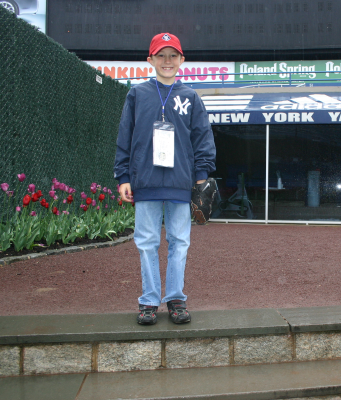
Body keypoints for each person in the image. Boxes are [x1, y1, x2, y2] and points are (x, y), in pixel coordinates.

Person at [114, 33, 216, 325]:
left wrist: (200, 178)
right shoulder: (137, 94)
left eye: (173, 55)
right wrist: (123, 176)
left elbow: (202, 140)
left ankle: (175, 298)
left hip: (180, 183)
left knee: (179, 242)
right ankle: (148, 300)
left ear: (182, 60)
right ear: (150, 60)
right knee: (146, 242)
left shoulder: (191, 97)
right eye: (161, 55)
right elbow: (125, 138)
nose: (167, 61)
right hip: (145, 181)